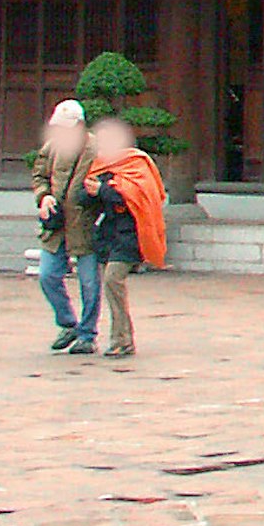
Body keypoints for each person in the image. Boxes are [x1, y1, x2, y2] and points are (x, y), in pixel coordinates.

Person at [81, 114, 169, 359]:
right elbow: (86, 198)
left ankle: (122, 339)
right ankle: (121, 338)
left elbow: (135, 197)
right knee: (111, 286)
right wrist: (90, 191)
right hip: (109, 234)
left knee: (112, 280)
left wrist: (103, 190)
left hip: (132, 234)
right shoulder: (101, 165)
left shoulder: (135, 163)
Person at [32, 100, 99, 354]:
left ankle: (88, 334)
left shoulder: (97, 147)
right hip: (58, 224)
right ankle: (68, 322)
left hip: (86, 224)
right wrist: (43, 196)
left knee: (89, 282)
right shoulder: (53, 146)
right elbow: (39, 175)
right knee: (48, 275)